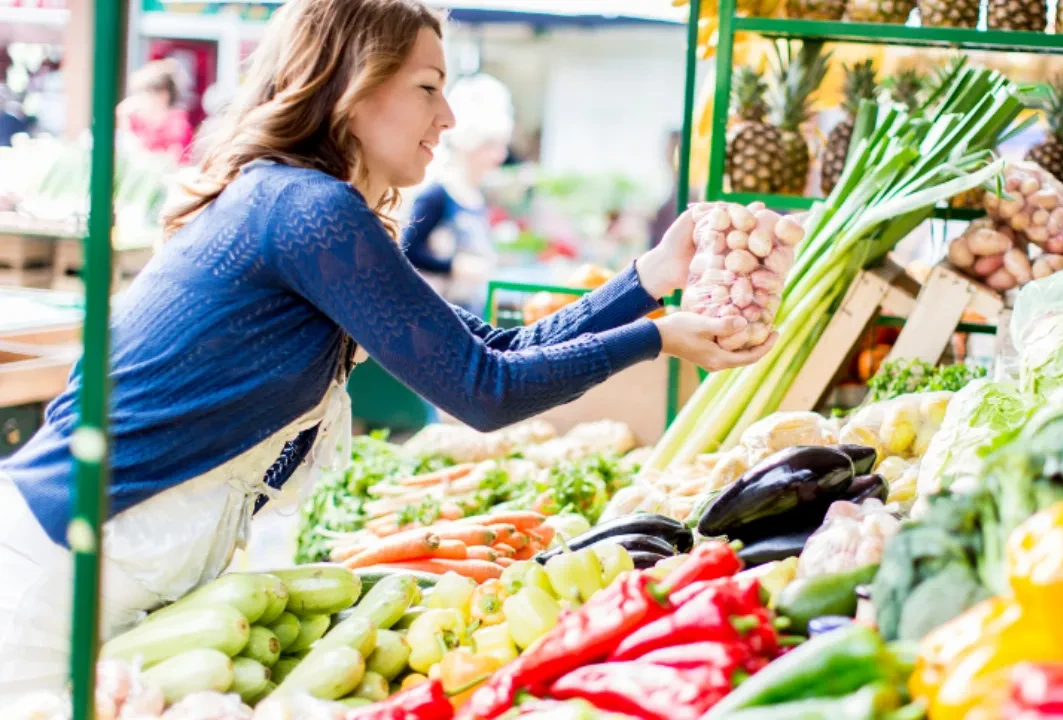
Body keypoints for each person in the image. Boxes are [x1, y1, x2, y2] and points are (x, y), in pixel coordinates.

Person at [0, 0, 775, 693]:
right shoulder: (308, 211)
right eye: (428, 87)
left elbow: (493, 350)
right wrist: (656, 338)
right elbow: (483, 392)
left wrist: (650, 277)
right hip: (55, 574)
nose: (448, 117)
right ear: (353, 84)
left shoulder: (303, 204)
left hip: (106, 566)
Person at [401, 73, 513, 316]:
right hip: (441, 316)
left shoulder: (475, 195)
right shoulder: (436, 195)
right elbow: (406, 250)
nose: (500, 156)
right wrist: (453, 266)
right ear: (471, 144)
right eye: (491, 146)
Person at [117, 58, 194, 163]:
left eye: (146, 93)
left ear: (163, 95)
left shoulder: (176, 122)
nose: (141, 99)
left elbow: (175, 157)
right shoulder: (137, 120)